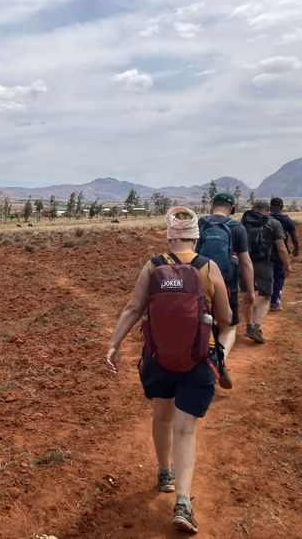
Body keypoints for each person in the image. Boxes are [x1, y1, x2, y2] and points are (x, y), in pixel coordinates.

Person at [106, 207, 231, 534]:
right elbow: (227, 318)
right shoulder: (209, 267)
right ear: (196, 236)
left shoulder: (153, 266)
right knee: (185, 429)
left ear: (169, 235)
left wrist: (114, 345)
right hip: (199, 359)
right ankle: (184, 502)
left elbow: (134, 307)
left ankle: (164, 473)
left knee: (162, 415)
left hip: (158, 358)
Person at [195, 193, 255, 389]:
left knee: (202, 324)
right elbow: (245, 262)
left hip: (199, 283)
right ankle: (218, 362)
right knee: (228, 327)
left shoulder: (200, 223)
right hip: (228, 285)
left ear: (212, 206)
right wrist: (250, 290)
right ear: (231, 208)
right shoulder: (237, 228)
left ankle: (198, 363)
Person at [241, 200, 291, 343]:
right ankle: (256, 327)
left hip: (245, 263)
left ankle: (248, 325)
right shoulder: (273, 223)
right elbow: (281, 247)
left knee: (247, 294)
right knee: (265, 296)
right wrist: (287, 265)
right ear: (268, 209)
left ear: (253, 208)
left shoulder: (243, 222)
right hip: (264, 263)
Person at [268, 197, 299, 311]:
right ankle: (275, 300)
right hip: (280, 252)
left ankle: (269, 296)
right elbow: (294, 237)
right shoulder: (287, 220)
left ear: (270, 208)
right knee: (280, 275)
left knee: (269, 275)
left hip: (264, 252)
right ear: (282, 207)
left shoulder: (264, 219)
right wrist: (296, 249)